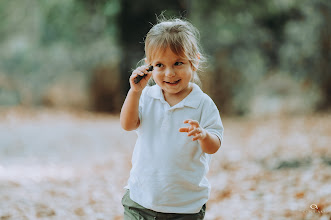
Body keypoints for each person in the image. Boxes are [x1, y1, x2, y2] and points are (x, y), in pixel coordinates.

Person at [120, 17, 224, 220]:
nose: (170, 72)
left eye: (178, 63)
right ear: (149, 67)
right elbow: (127, 124)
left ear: (194, 62)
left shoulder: (202, 103)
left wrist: (203, 135)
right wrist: (134, 92)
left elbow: (214, 145)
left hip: (185, 207)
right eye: (160, 65)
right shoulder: (147, 96)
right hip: (141, 200)